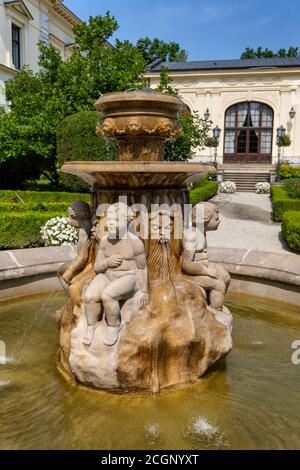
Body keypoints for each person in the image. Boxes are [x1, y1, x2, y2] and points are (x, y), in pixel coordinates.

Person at [82, 202, 149, 347]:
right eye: (110, 220)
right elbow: (97, 267)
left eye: (116, 220)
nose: (111, 224)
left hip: (129, 277)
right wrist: (107, 263)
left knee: (108, 295)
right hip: (107, 275)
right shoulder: (106, 241)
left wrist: (144, 292)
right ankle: (90, 326)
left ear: (127, 221)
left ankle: (114, 326)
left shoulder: (135, 242)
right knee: (89, 296)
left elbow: (142, 268)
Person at [182, 202, 230, 311]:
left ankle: (210, 301)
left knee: (226, 276)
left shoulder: (201, 231)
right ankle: (215, 311)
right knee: (219, 284)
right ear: (204, 219)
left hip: (202, 267)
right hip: (190, 274)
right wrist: (207, 271)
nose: (219, 221)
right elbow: (186, 264)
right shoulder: (191, 235)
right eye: (216, 219)